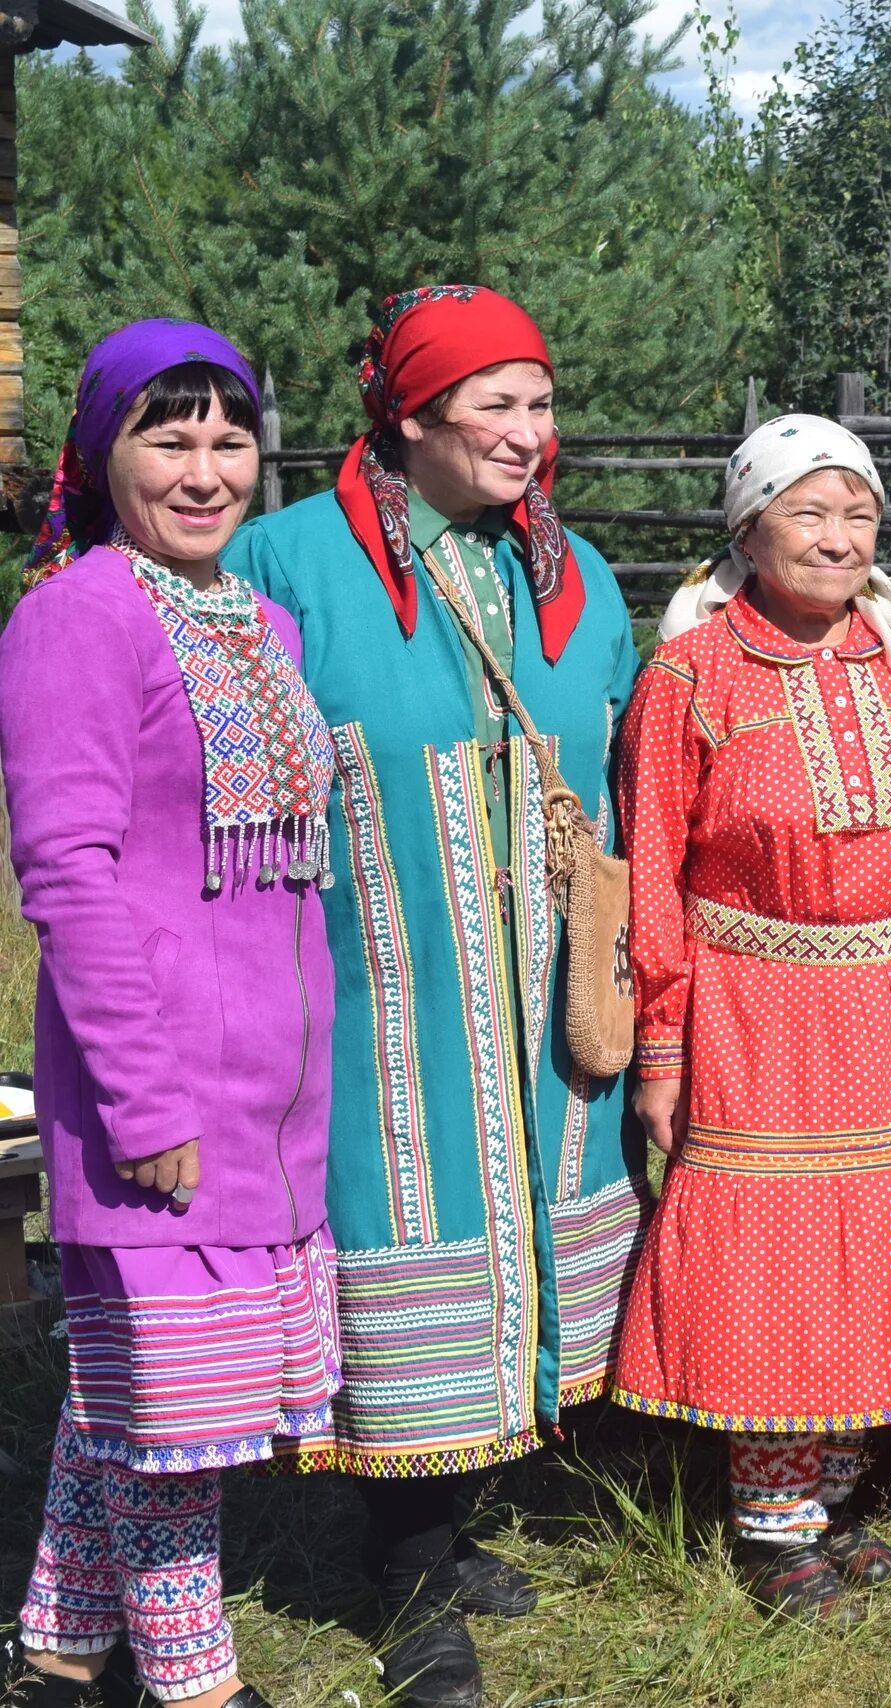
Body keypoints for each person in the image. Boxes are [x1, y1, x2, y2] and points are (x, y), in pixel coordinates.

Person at [225, 286, 643, 1708]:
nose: (530, 434)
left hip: (538, 1002)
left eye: (540, 403)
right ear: (410, 417)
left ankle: (454, 1530)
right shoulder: (284, 563)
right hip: (366, 995)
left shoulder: (569, 575)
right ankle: (403, 1580)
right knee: (403, 1236)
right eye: (494, 406)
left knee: (517, 1247)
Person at [611, 415, 891, 1625]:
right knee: (775, 1255)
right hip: (754, 1001)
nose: (838, 541)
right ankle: (773, 1520)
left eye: (858, 516)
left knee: (882, 1244)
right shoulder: (693, 674)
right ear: (748, 528)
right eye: (809, 513)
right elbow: (657, 869)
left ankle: (835, 1494)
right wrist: (665, 1044)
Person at [0, 323, 338, 1708]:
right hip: (156, 1089)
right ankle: (193, 1684)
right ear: (100, 455)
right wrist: (144, 1105)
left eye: (230, 438)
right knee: (180, 1425)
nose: (207, 472)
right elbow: (68, 879)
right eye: (168, 438)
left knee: (126, 1395)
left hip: (269, 1094)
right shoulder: (76, 616)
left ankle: (59, 1656)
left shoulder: (264, 623)